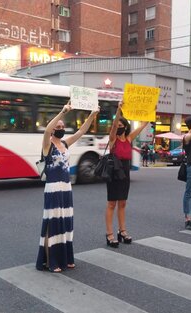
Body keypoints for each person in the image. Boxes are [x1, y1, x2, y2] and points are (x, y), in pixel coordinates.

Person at [36, 102, 99, 272]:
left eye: (63, 126)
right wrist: (62, 112)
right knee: (53, 223)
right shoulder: (47, 144)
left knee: (65, 223)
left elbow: (81, 132)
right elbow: (47, 130)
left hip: (66, 188)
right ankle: (51, 261)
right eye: (59, 126)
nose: (61, 127)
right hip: (53, 188)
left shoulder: (64, 143)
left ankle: (65, 258)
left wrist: (92, 115)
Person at [105, 102, 148, 248]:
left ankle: (122, 231)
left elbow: (143, 125)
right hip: (114, 172)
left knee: (123, 203)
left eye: (120, 126)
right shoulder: (112, 139)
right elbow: (115, 123)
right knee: (112, 203)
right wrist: (118, 110)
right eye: (116, 126)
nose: (117, 127)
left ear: (125, 127)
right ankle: (109, 234)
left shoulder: (129, 139)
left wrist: (150, 112)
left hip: (125, 172)